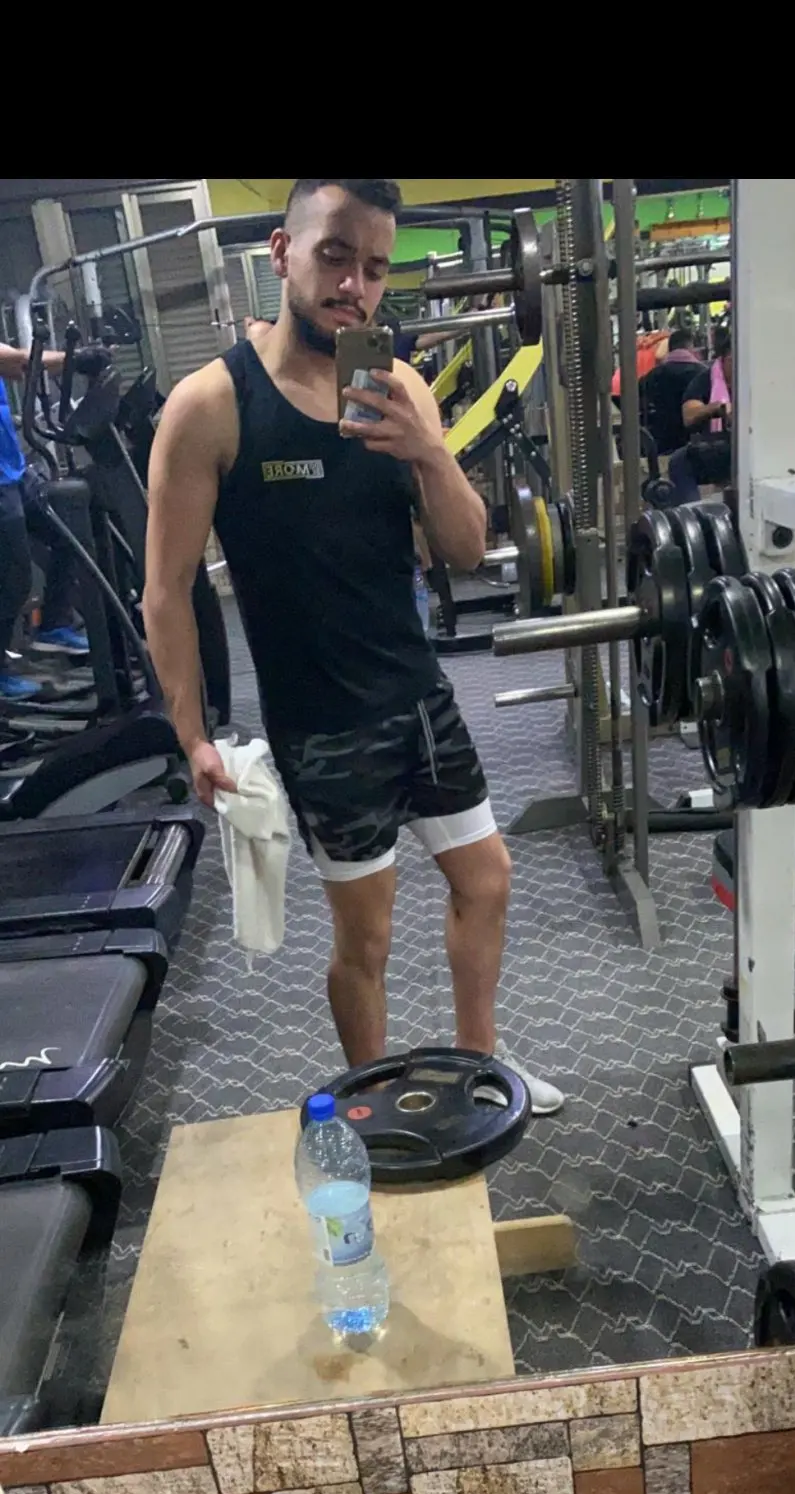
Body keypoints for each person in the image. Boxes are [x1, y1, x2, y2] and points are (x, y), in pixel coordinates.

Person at [144, 176, 563, 1114]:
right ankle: (372, 1104)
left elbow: (466, 548)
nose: (354, 287)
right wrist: (192, 735)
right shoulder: (211, 406)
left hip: (418, 695)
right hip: (322, 724)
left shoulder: (397, 387)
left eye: (374, 269)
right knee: (366, 939)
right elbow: (165, 591)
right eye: (335, 256)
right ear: (281, 252)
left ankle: (481, 1067)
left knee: (487, 880)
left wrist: (428, 449)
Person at [0, 343, 89, 697]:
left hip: (13, 471)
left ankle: (54, 625)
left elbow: (21, 369)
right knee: (15, 578)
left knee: (70, 532)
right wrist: (76, 358)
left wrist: (77, 362)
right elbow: (22, 360)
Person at [663, 327, 733, 504]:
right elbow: (689, 414)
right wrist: (717, 407)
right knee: (680, 462)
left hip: (754, 447)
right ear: (724, 358)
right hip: (720, 446)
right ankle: (692, 512)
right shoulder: (705, 378)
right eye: (733, 359)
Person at [638, 327, 704, 457]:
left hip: (660, 441)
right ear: (690, 346)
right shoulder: (702, 374)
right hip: (693, 443)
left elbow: (639, 398)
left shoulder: (653, 375)